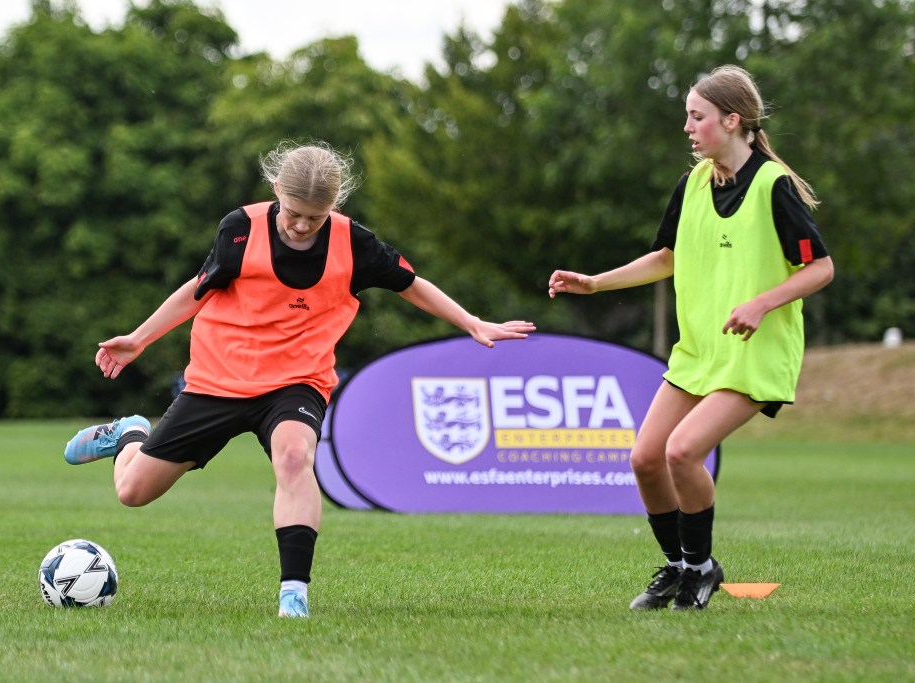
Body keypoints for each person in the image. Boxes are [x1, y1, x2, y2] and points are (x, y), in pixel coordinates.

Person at [63, 141, 536, 618]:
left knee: (294, 458)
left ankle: (294, 594)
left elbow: (411, 285)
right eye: (293, 213)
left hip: (296, 381)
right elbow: (199, 289)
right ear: (276, 191)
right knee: (133, 493)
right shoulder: (240, 229)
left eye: (315, 217)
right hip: (219, 378)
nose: (302, 225)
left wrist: (470, 322)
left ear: (334, 206)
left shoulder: (354, 243)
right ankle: (131, 434)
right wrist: (139, 339)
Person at [548, 65, 833, 610]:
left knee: (681, 452)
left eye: (696, 116)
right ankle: (680, 568)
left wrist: (761, 302)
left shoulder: (773, 186)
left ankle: (701, 570)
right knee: (645, 458)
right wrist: (596, 282)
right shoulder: (694, 183)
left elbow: (820, 267)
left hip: (753, 355)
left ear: (732, 120)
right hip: (700, 351)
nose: (687, 127)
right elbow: (667, 258)